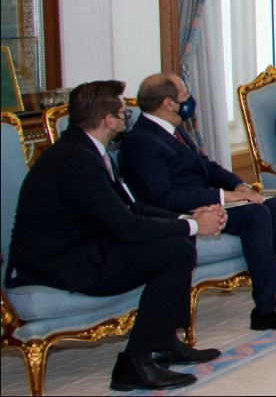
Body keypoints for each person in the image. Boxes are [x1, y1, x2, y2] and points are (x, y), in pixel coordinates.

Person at [5, 81, 226, 391]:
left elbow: (130, 207)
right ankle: (134, 364)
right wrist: (194, 225)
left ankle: (163, 342)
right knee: (176, 249)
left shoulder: (88, 149)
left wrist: (186, 219)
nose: (126, 120)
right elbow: (128, 227)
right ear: (108, 120)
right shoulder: (76, 160)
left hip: (83, 245)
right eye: (124, 114)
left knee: (179, 241)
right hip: (58, 263)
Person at [121, 73, 276, 333]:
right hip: (183, 213)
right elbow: (164, 197)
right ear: (168, 103)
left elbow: (207, 167)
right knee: (256, 214)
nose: (190, 100)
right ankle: (266, 307)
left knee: (275, 206)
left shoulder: (175, 131)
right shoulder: (142, 141)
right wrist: (223, 196)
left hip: (204, 202)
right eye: (185, 95)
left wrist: (239, 185)